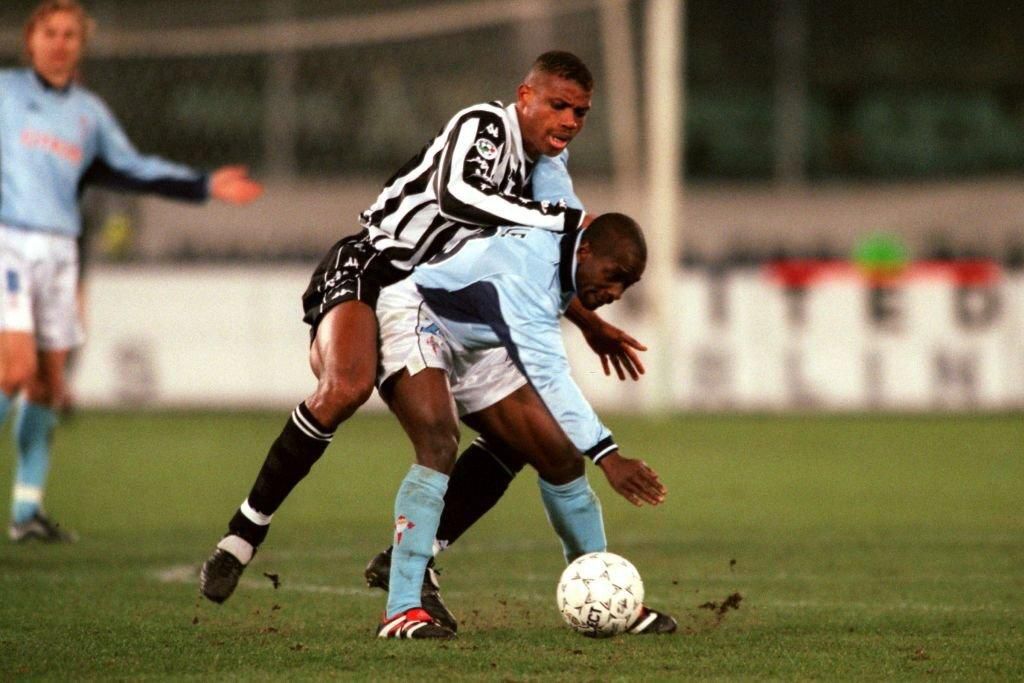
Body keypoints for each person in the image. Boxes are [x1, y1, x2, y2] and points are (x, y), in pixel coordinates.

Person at [199, 51, 652, 605]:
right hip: (375, 264)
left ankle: (413, 559)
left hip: (439, 302)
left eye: (580, 113)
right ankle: (244, 534)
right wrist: (554, 218)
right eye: (558, 105)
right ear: (524, 96)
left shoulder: (549, 169)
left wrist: (585, 320)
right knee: (345, 387)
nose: (569, 122)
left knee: (525, 440)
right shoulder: (483, 126)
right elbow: (456, 196)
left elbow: (556, 256)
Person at [2, 0, 263, 542]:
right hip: (10, 242)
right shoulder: (4, 94)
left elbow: (134, 168)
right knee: (13, 370)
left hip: (59, 252)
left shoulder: (88, 114)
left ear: (81, 44)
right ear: (30, 40)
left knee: (49, 385)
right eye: (50, 32)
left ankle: (26, 513)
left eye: (70, 34)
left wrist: (202, 185)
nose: (59, 42)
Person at [373, 212, 674, 638]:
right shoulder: (531, 280)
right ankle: (401, 609)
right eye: (612, 276)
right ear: (585, 250)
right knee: (439, 442)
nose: (614, 292)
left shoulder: (562, 252)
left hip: (474, 337)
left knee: (561, 456)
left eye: (625, 285)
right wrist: (608, 456)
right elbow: (551, 378)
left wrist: (591, 324)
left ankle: (606, 595)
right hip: (419, 315)